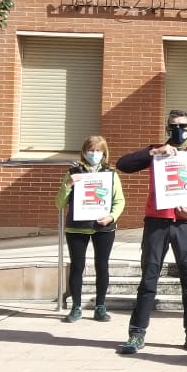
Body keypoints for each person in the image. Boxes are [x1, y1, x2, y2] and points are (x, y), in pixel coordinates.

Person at [115, 109, 187, 355]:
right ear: (167, 129)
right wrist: (153, 152)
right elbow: (123, 164)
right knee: (149, 278)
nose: (178, 130)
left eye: (182, 125)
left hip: (185, 224)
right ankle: (136, 334)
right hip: (157, 222)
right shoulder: (156, 152)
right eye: (173, 126)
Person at [54, 135, 126, 323]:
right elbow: (60, 203)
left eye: (98, 150)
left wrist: (111, 216)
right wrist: (68, 185)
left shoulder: (110, 174)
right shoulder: (73, 173)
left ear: (104, 153)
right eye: (91, 150)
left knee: (102, 266)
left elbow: (119, 201)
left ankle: (100, 307)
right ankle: (76, 307)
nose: (94, 154)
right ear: (84, 152)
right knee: (77, 267)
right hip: (77, 228)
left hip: (103, 227)